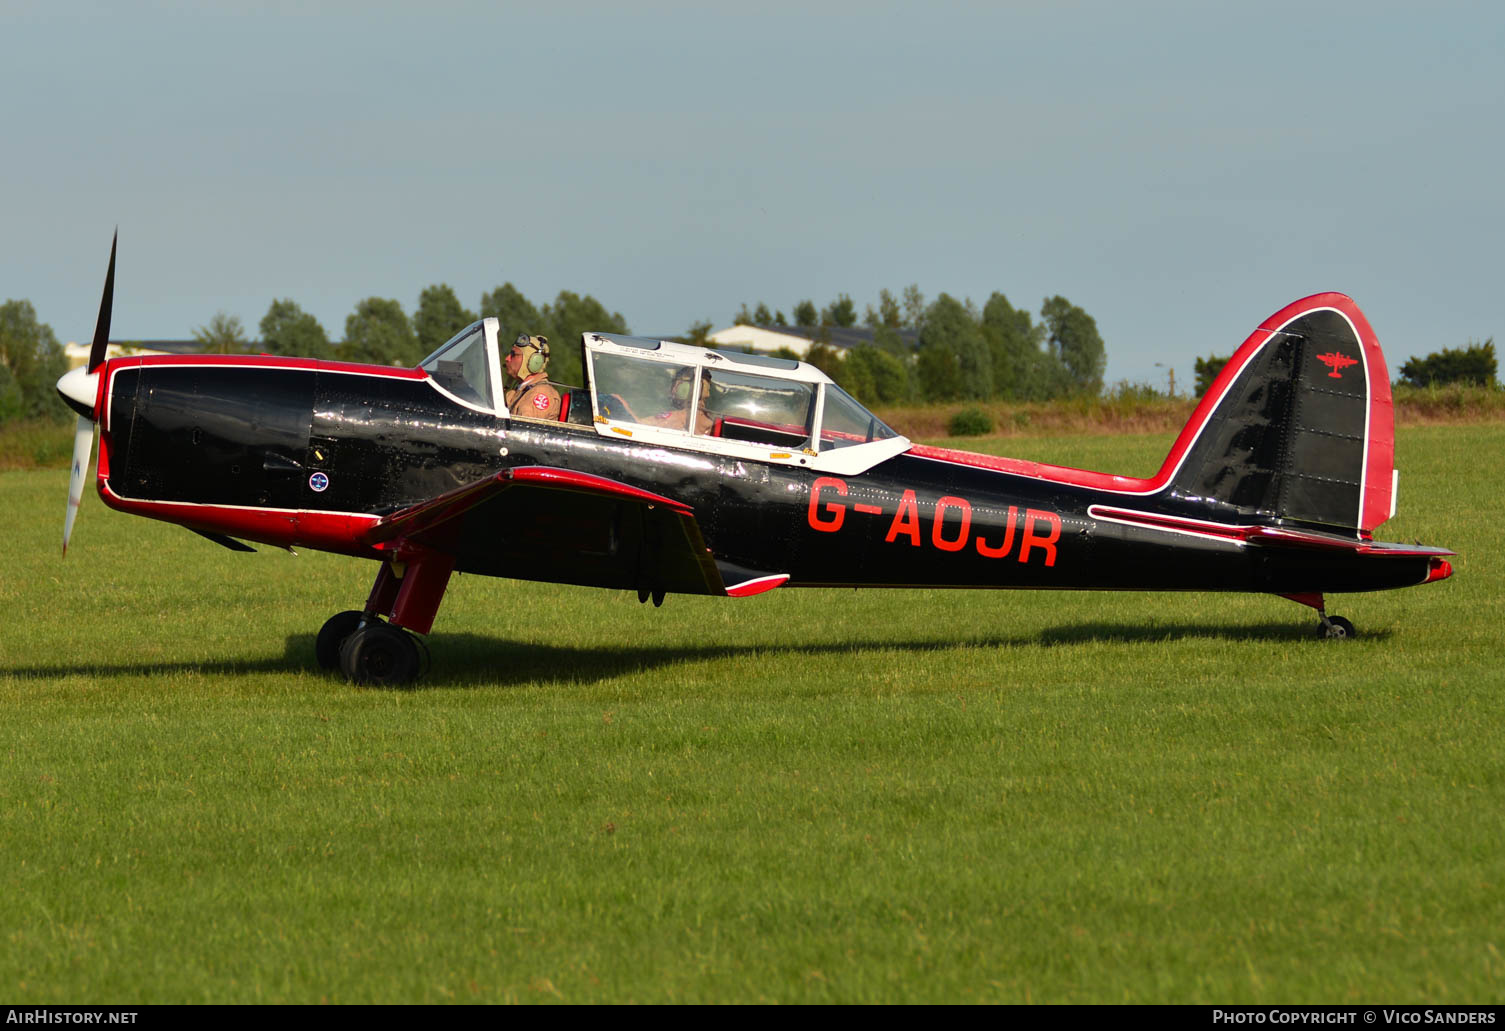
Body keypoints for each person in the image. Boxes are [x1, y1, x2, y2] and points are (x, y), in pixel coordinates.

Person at [503, 334, 562, 420]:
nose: (507, 358)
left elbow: (522, 430)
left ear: (534, 361)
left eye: (514, 354)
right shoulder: (522, 389)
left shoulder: (539, 394)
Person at [643, 367, 715, 434]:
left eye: (679, 384)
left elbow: (641, 425)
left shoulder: (675, 417)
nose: (674, 389)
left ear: (695, 388)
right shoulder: (713, 423)